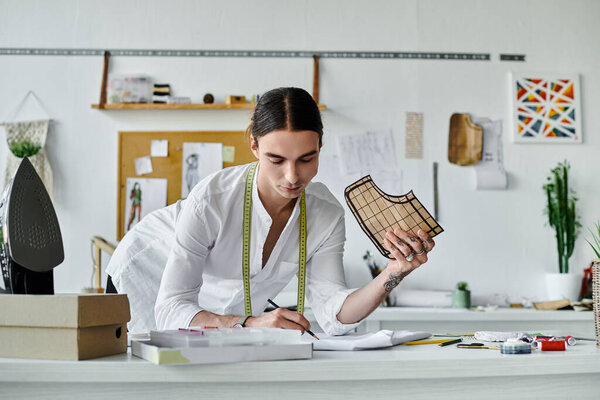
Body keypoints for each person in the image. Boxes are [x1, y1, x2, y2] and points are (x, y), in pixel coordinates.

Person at [106, 87, 435, 335]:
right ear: (254, 145)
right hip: (144, 276)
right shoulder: (212, 199)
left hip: (222, 308)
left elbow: (333, 315)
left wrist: (393, 274)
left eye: (307, 159)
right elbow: (170, 309)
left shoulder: (324, 215)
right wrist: (248, 325)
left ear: (320, 147)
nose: (293, 177)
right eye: (276, 160)